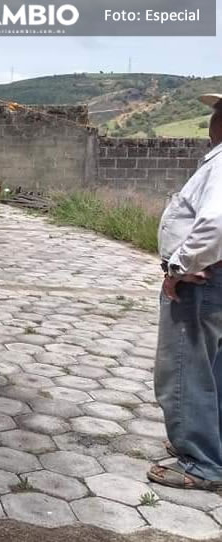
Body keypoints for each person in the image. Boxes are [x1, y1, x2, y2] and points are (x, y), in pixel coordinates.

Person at [149, 93, 222, 491]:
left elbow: (216, 223)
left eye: (215, 115)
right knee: (213, 369)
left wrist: (179, 267)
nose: (211, 123)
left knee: (185, 368)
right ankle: (212, 445)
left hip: (203, 282)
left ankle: (201, 461)